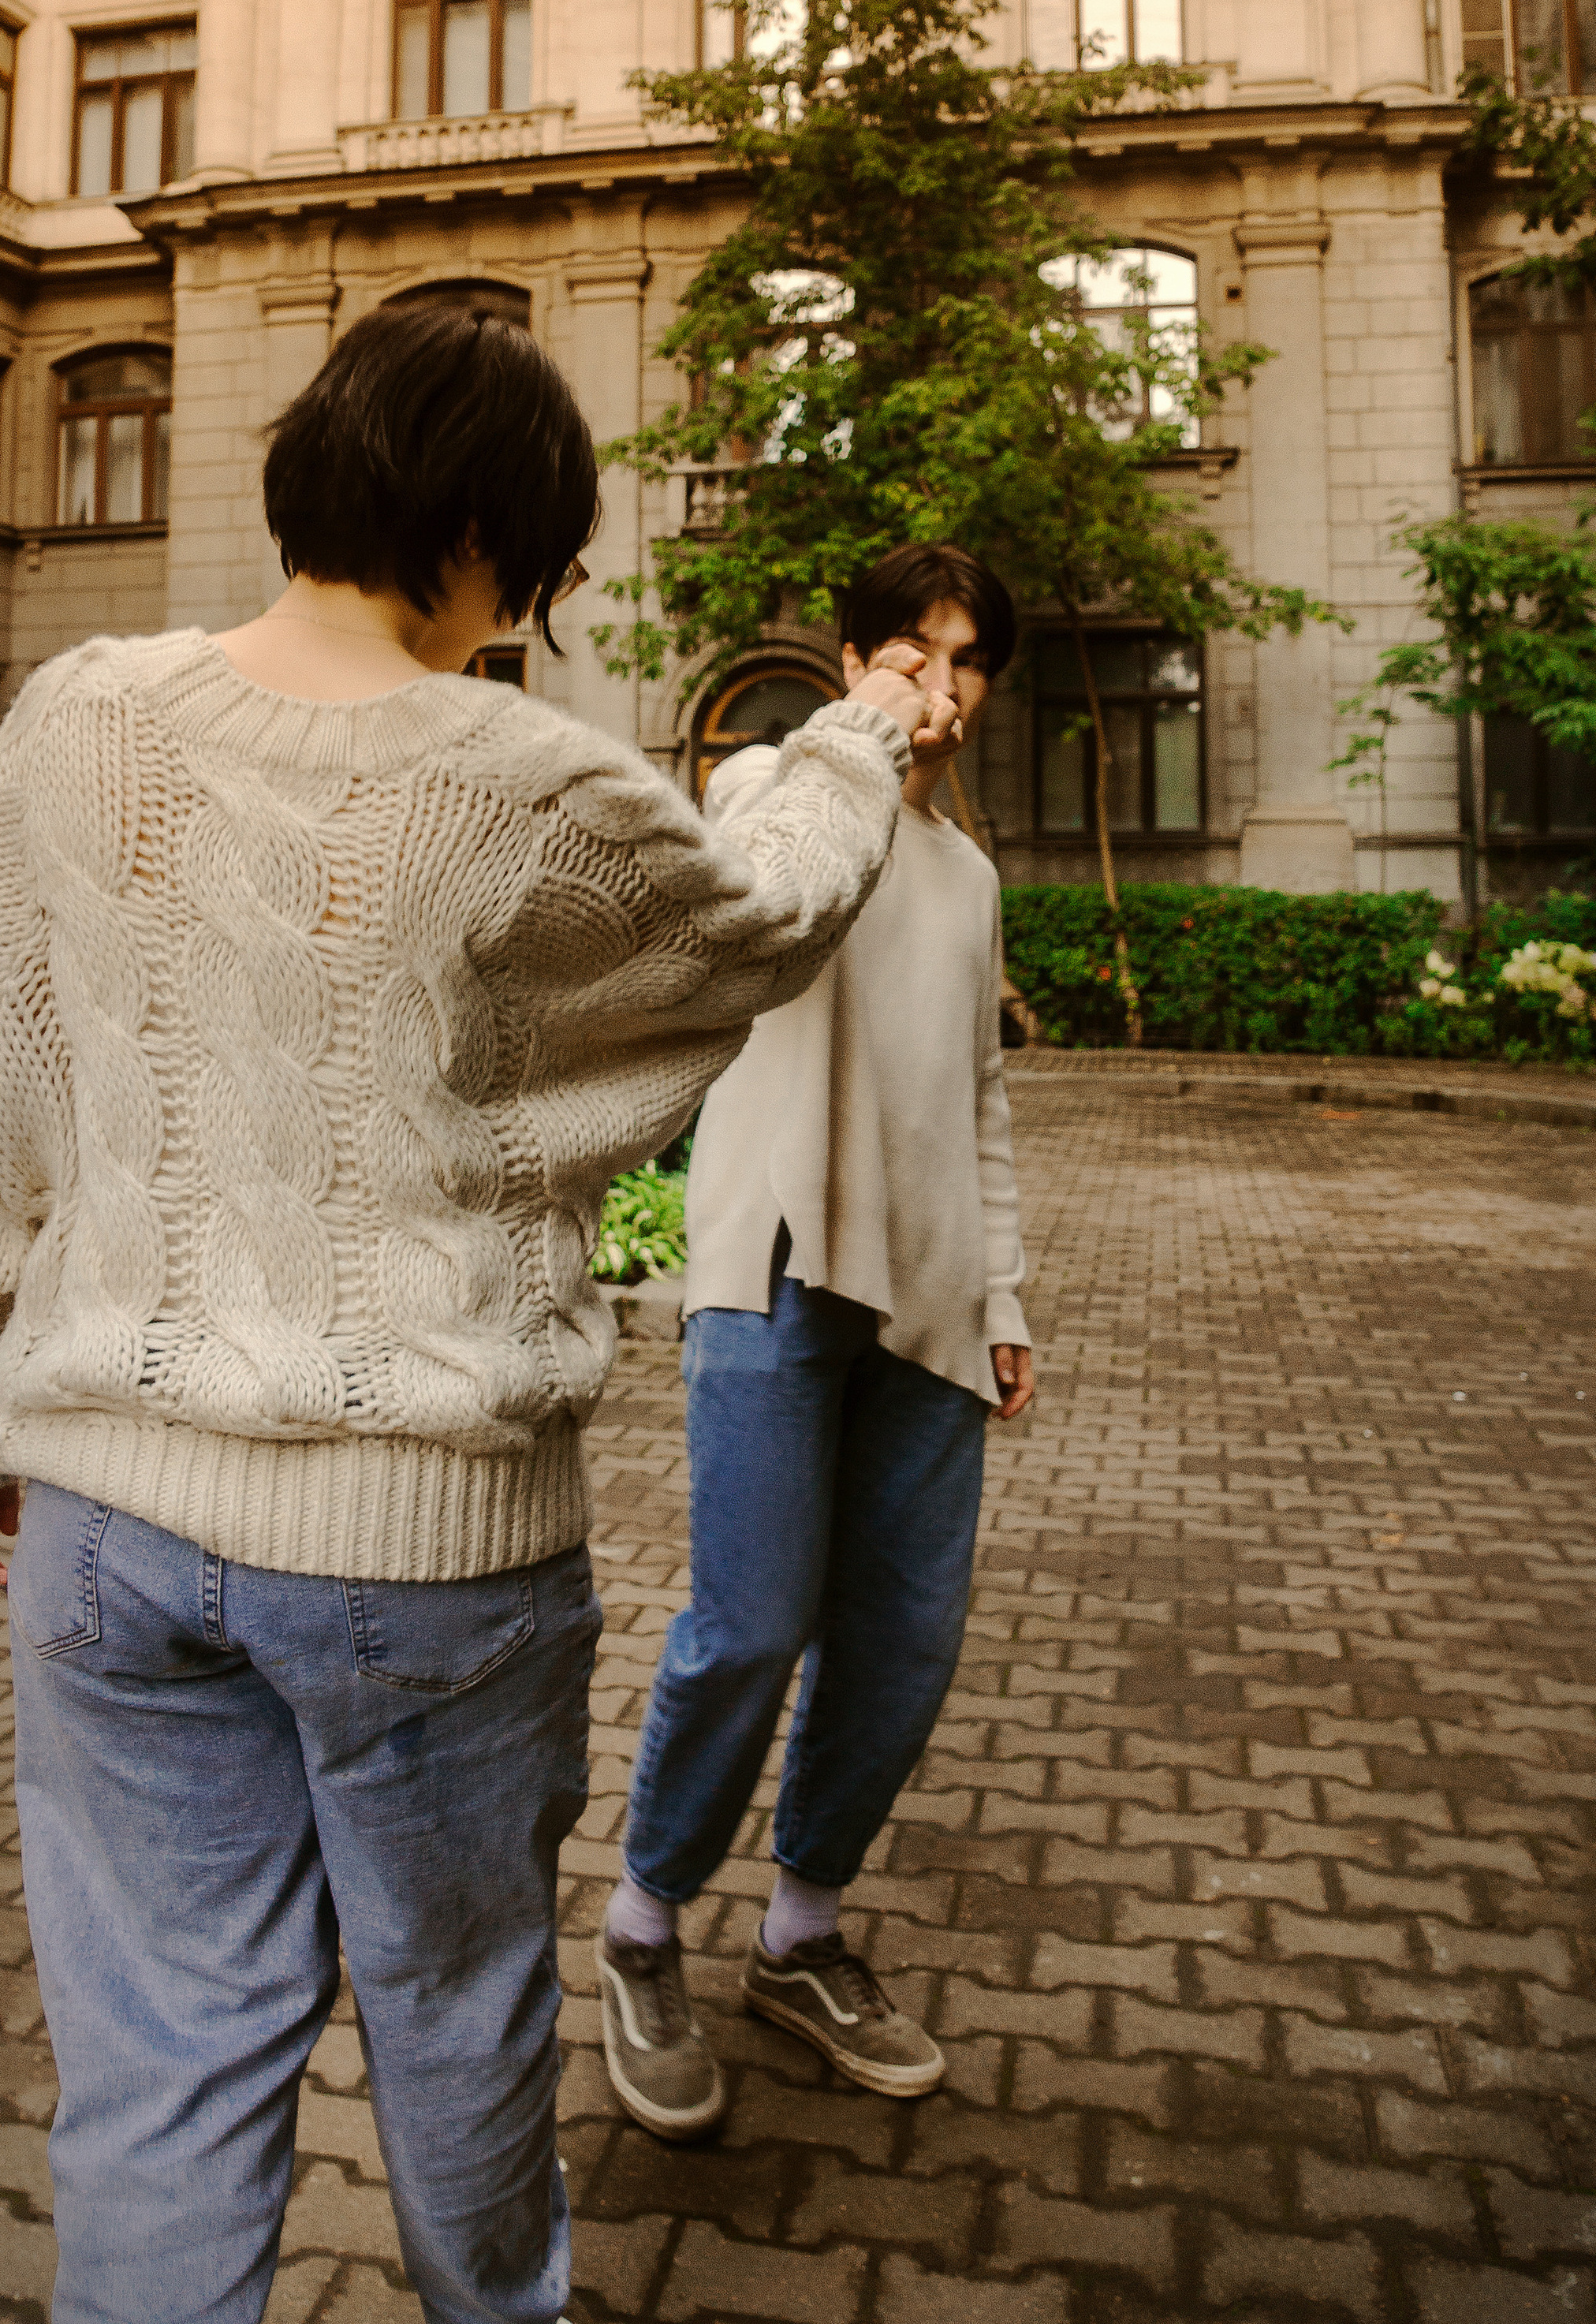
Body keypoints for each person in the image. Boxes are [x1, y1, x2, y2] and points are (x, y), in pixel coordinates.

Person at [0, 300, 956, 2324]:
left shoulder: (77, 719)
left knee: (161, 2060)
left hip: (100, 1537)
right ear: (485, 532)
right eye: (533, 564)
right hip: (426, 1554)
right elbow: (767, 912)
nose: (521, 611)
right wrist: (853, 732)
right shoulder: (523, 783)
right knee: (456, 2023)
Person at [597, 541, 1031, 2140]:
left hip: (926, 1297)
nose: (938, 684)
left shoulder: (973, 882)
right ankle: (641, 1932)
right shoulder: (771, 785)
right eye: (906, 652)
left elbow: (981, 1102)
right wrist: (846, 745)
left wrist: (1003, 1297)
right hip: (777, 1268)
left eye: (965, 658)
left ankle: (799, 1937)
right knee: (750, 1623)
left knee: (904, 1641)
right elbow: (732, 917)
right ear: (848, 660)